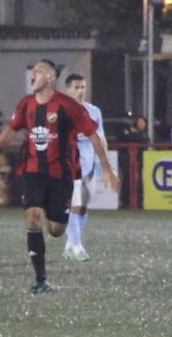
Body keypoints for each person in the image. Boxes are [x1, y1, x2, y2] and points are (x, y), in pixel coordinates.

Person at [0, 59, 118, 294]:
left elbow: (93, 134)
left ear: (50, 78)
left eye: (38, 71)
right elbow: (9, 131)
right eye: (32, 71)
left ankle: (61, 234)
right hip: (32, 172)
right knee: (32, 216)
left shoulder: (67, 106)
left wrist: (106, 167)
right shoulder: (26, 105)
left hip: (60, 175)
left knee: (55, 230)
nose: (33, 75)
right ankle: (40, 279)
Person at [62, 73, 107, 262]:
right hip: (70, 161)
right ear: (68, 90)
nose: (81, 91)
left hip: (91, 163)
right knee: (74, 203)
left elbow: (101, 138)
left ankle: (70, 245)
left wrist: (107, 166)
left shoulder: (94, 111)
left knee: (84, 207)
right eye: (77, 87)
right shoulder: (61, 111)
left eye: (83, 87)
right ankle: (77, 245)